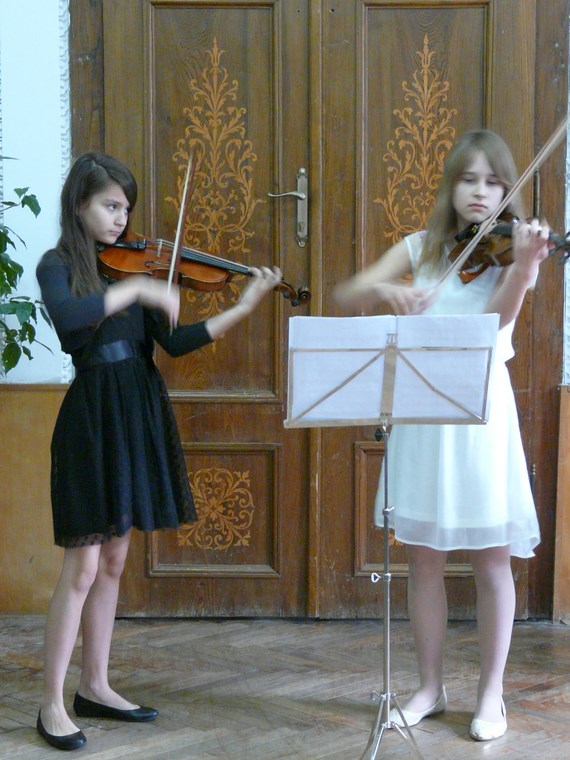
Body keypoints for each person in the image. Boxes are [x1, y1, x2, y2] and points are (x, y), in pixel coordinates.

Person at [35, 152, 282, 751]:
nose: (121, 218)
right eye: (109, 205)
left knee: (114, 561)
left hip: (139, 411)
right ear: (79, 204)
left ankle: (95, 685)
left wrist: (243, 306)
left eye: (126, 207)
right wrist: (139, 287)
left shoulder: (138, 268)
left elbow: (174, 341)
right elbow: (68, 320)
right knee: (82, 566)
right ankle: (49, 704)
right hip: (93, 417)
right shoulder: (58, 265)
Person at [333, 130, 551, 742]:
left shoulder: (513, 251)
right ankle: (430, 687)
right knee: (422, 559)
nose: (480, 192)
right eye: (468, 179)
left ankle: (491, 695)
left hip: (481, 413)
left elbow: (496, 323)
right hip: (423, 413)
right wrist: (387, 290)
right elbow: (347, 291)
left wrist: (526, 266)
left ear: (506, 191)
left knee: (492, 559)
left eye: (493, 182)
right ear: (450, 185)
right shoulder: (422, 247)